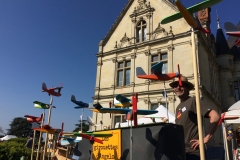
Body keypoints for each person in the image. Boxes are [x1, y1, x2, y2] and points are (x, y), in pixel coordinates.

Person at [169, 76, 220, 160]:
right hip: (182, 152)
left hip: (194, 153)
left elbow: (215, 116)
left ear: (187, 88)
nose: (178, 87)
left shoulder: (193, 100)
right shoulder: (178, 107)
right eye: (175, 85)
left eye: (181, 85)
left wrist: (206, 138)